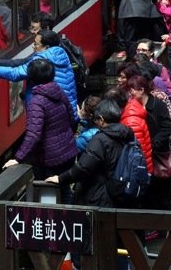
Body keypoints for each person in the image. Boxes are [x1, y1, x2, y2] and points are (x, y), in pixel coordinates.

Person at [46, 100, 136, 270]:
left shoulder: (101, 140)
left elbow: (82, 168)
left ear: (101, 120)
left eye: (96, 120)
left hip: (98, 196)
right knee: (115, 243)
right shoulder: (127, 134)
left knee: (87, 240)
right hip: (120, 193)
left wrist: (60, 178)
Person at [2, 59, 77, 184]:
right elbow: (72, 117)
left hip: (52, 159)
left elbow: (33, 135)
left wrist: (18, 158)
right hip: (68, 151)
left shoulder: (36, 102)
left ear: (31, 78)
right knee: (64, 190)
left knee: (49, 195)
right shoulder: (58, 90)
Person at [0, 30, 80, 124]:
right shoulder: (61, 53)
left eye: (36, 44)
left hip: (54, 116)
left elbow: (16, 74)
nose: (33, 47)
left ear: (47, 47)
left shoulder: (42, 59)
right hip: (67, 112)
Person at [127, 75, 171, 211]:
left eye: (132, 89)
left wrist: (153, 143)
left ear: (142, 90)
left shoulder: (158, 105)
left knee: (162, 194)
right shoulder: (131, 106)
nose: (130, 93)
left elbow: (167, 127)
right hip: (141, 155)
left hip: (158, 154)